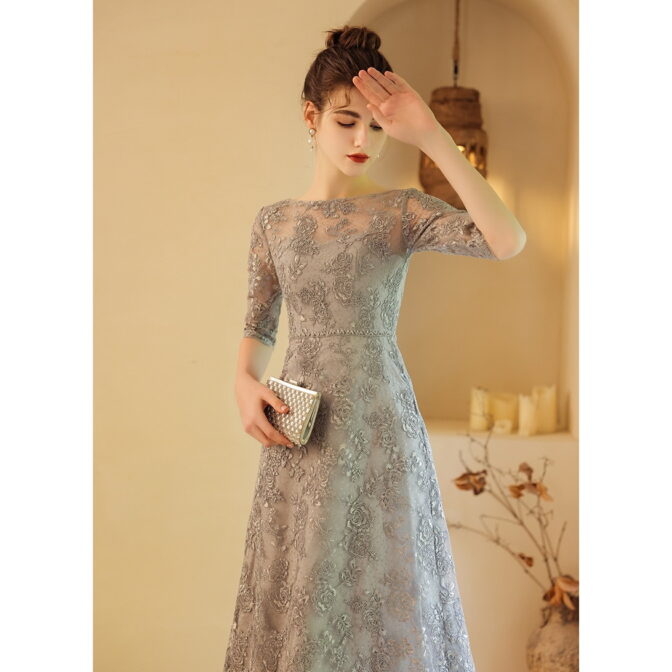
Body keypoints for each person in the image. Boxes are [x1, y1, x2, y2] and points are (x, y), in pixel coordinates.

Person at [225, 25, 526, 672]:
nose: (363, 139)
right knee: (307, 581)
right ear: (311, 116)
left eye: (376, 126)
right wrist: (244, 382)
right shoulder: (275, 222)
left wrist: (432, 135)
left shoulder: (401, 211)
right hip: (302, 425)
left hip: (380, 419)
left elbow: (506, 241)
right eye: (346, 121)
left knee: (386, 578)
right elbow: (259, 324)